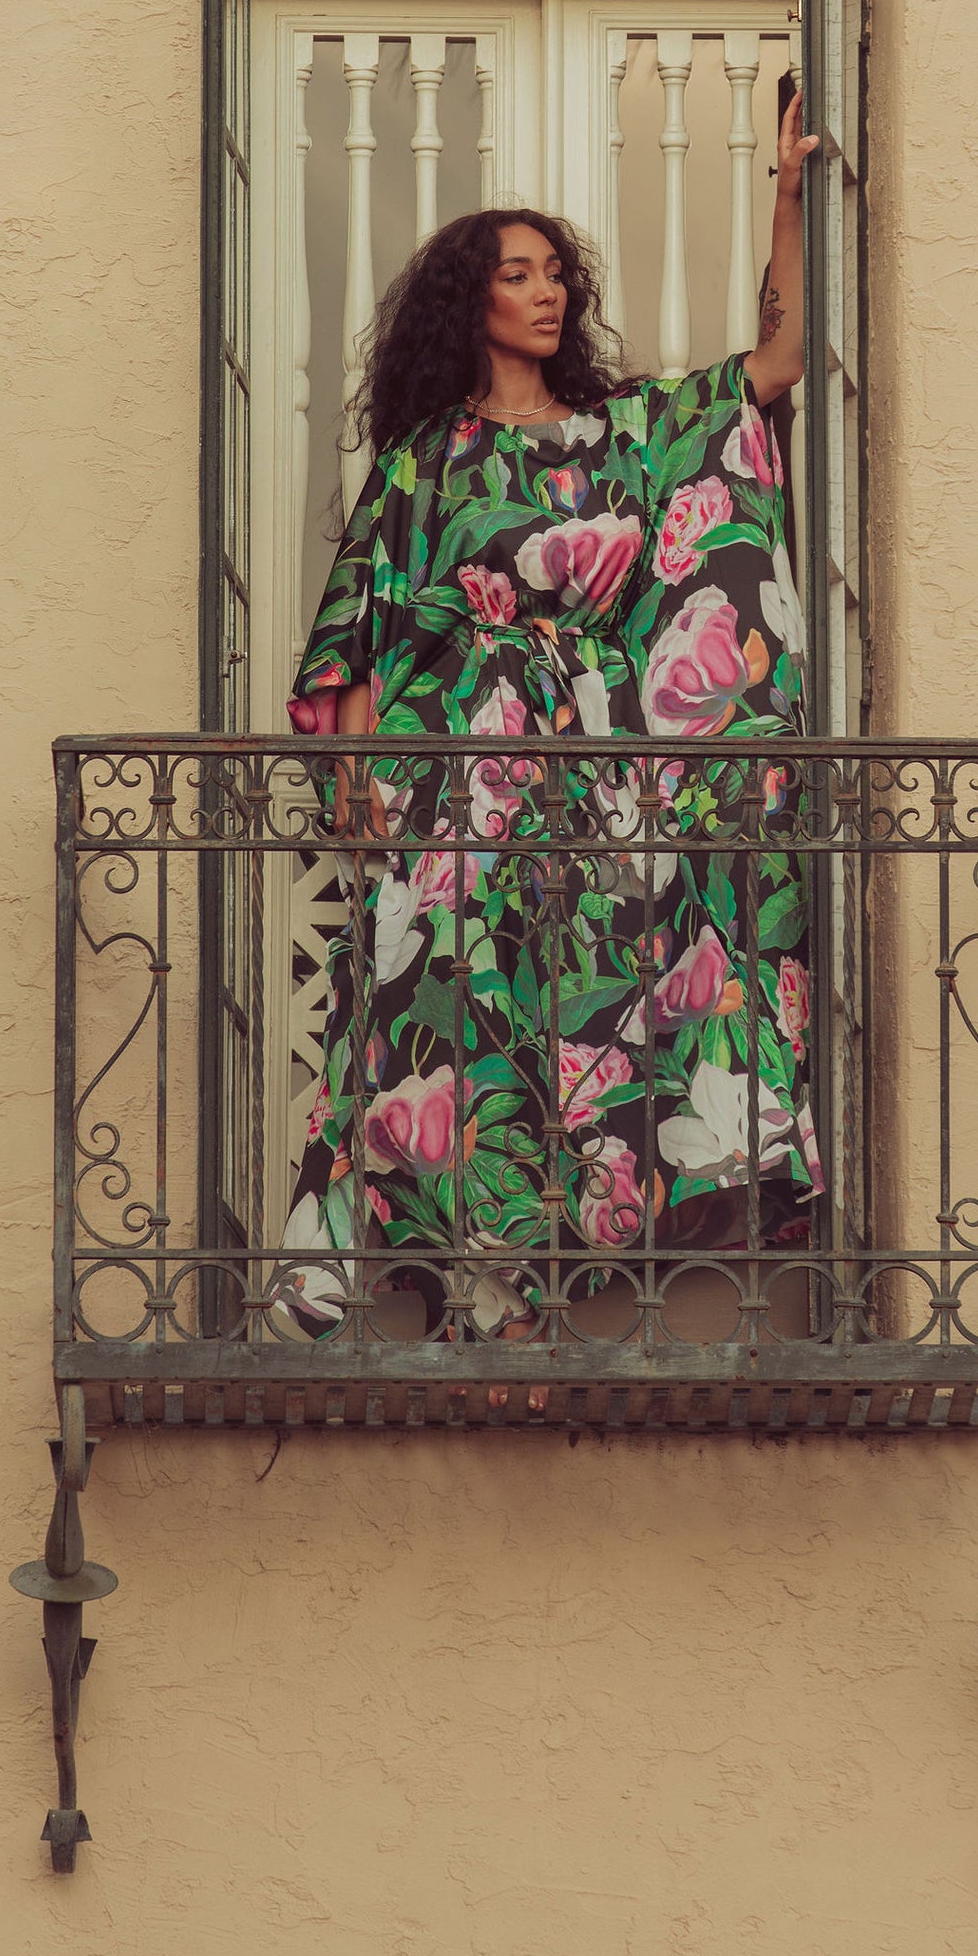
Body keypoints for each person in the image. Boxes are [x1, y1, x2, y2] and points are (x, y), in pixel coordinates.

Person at [280, 94, 821, 1335]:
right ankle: (489, 1290)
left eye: (555, 273)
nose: (546, 293)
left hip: (591, 766)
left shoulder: (623, 434)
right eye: (515, 274)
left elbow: (774, 368)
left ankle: (568, 1265)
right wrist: (363, 774)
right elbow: (369, 621)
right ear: (466, 301)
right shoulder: (426, 457)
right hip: (465, 762)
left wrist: (785, 199)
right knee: (463, 1001)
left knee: (596, 995)